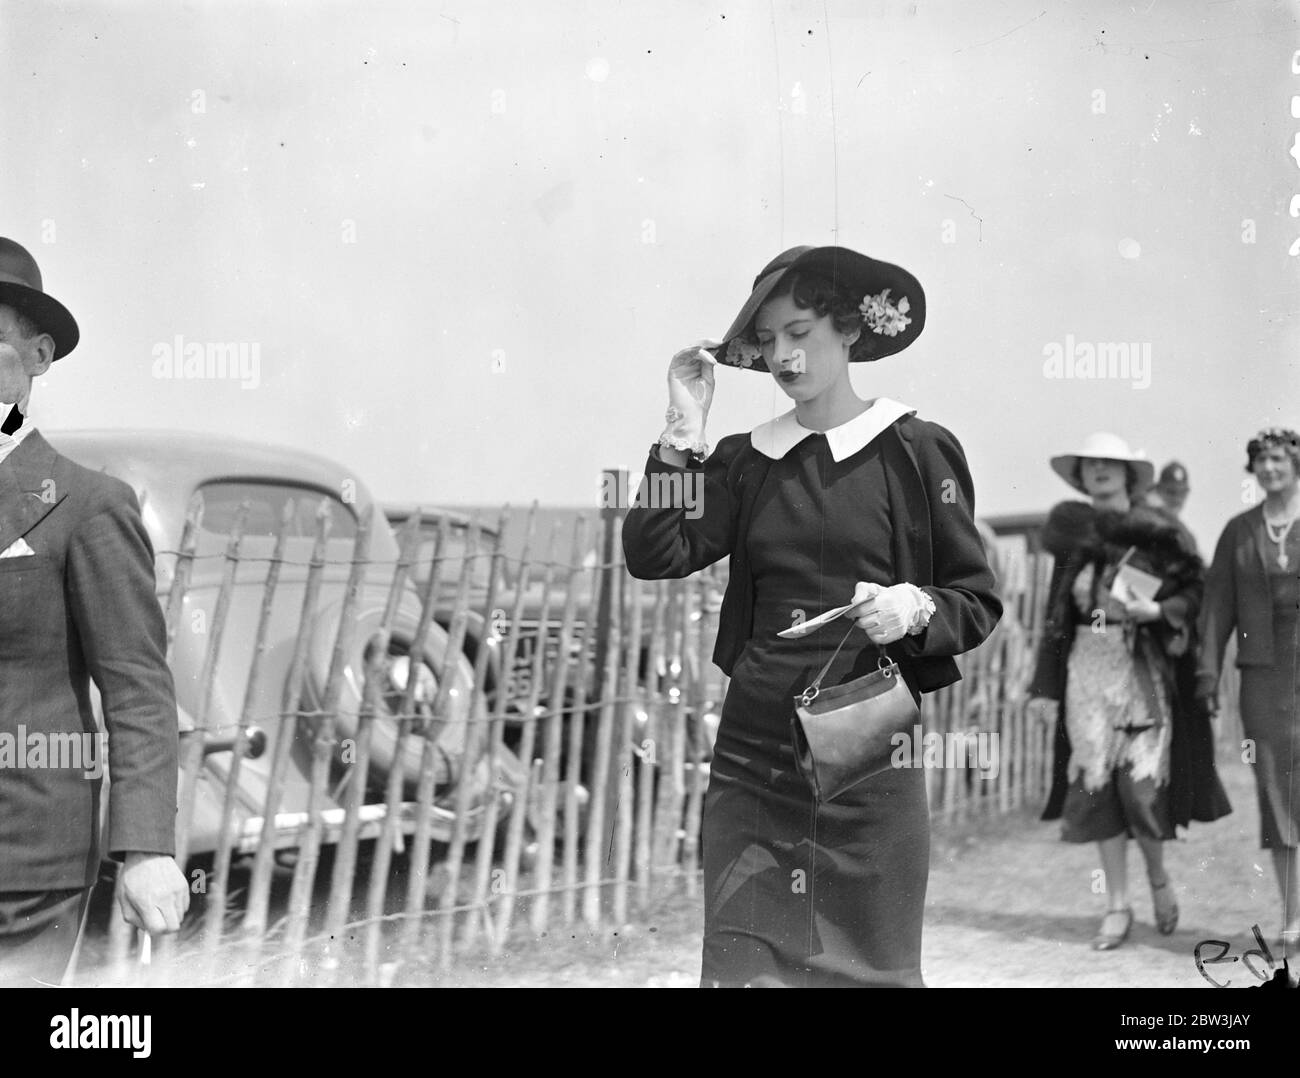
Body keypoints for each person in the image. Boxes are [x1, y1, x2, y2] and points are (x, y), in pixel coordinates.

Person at [622, 245, 1001, 987]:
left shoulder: (916, 451)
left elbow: (976, 598)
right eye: (767, 341)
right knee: (742, 966)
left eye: (799, 332)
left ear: (851, 331)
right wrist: (681, 429)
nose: (783, 356)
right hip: (755, 753)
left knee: (871, 970)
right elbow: (655, 550)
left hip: (867, 752)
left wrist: (914, 607)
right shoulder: (745, 459)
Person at [0, 237, 189, 987]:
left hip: (20, 869)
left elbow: (137, 685)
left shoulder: (85, 505)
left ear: (37, 357)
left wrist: (145, 849)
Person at [1027, 433, 1228, 952]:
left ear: (1128, 475)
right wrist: (1044, 688)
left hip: (1141, 672)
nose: (1098, 470)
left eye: (1108, 464)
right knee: (1097, 787)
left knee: (1141, 789)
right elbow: (1056, 617)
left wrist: (1159, 611)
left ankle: (1158, 878)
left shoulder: (1159, 535)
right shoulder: (1071, 535)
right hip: (1086, 674)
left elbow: (1194, 590)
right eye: (1089, 464)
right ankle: (1117, 905)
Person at [1197, 427, 1300, 976]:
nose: (1269, 469)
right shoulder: (1239, 532)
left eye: (1279, 458)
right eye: (1260, 460)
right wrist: (1207, 678)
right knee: (1278, 794)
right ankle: (1292, 914)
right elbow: (1216, 610)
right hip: (1264, 680)